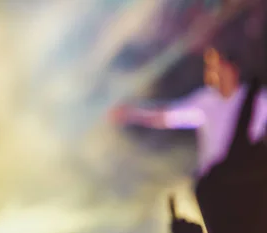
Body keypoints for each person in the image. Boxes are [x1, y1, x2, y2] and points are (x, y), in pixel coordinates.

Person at [114, 47, 267, 178]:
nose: (212, 72)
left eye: (217, 66)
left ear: (231, 69)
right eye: (210, 67)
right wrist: (131, 114)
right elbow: (168, 117)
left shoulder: (258, 99)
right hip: (217, 183)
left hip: (248, 176)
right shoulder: (206, 101)